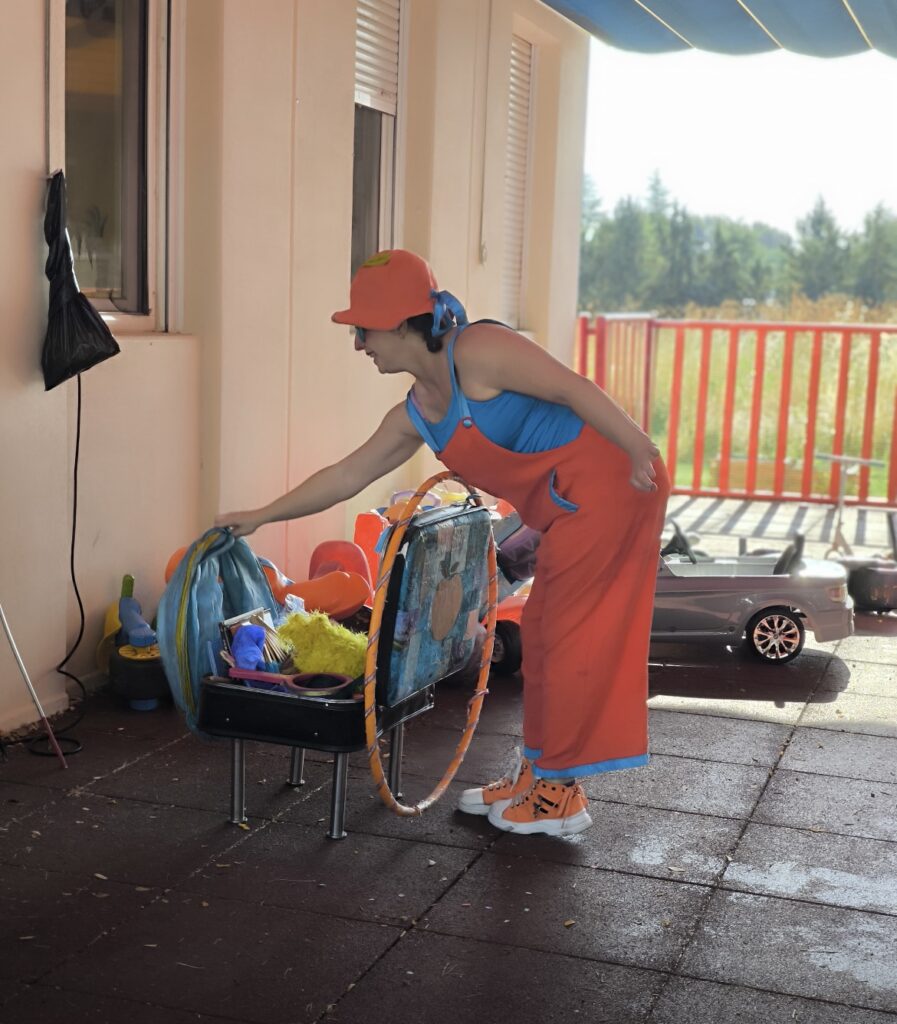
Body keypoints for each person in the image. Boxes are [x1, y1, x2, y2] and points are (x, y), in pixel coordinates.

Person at [216, 249, 670, 837]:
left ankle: (561, 793)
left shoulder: (478, 352)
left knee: (570, 636)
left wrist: (640, 448)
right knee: (541, 632)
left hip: (617, 484)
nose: (359, 344)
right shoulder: (418, 414)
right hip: (570, 504)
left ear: (404, 323)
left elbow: (573, 389)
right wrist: (260, 514)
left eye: (364, 329)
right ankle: (539, 773)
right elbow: (344, 476)